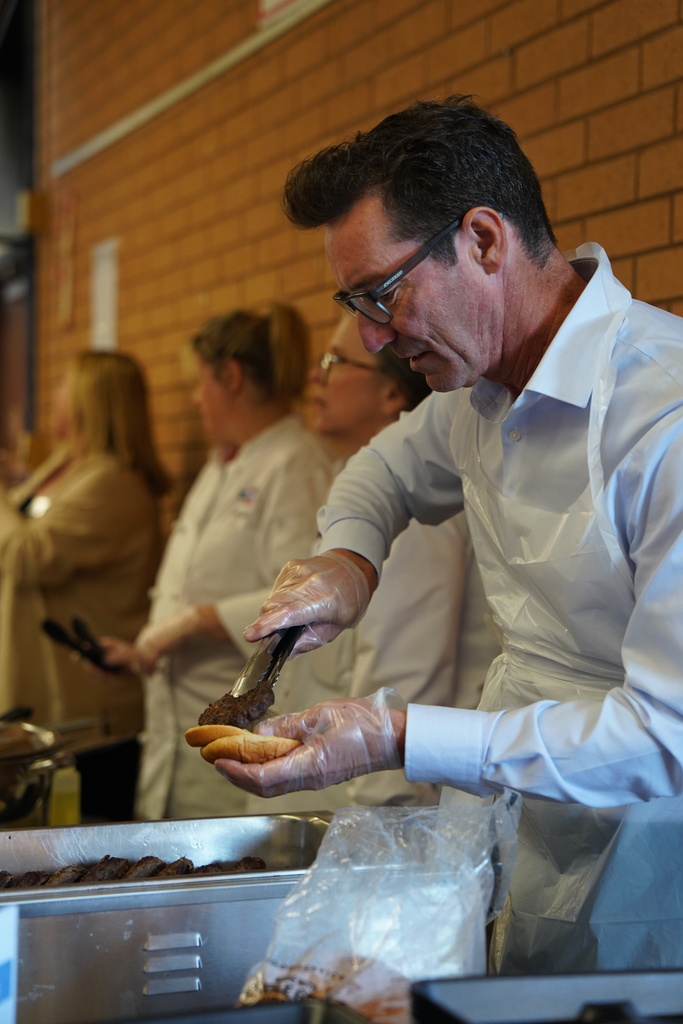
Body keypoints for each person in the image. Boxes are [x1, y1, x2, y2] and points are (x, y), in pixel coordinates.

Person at [214, 95, 683, 974]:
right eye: (351, 301)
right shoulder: (480, 392)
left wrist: (395, 736)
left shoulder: (662, 417)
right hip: (518, 819)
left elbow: (663, 735)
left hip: (654, 859)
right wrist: (348, 557)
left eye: (383, 294)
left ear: (482, 240)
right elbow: (381, 470)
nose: (370, 336)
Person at [247, 313, 498, 814]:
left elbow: (400, 691)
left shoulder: (419, 523)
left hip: (363, 813)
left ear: (390, 395)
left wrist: (372, 853)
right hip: (326, 800)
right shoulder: (359, 480)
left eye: (335, 363)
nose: (318, 376)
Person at [101, 305, 334, 820]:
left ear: (230, 378)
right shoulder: (223, 462)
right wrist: (147, 644)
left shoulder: (296, 461)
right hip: (176, 721)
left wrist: (192, 623)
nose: (194, 400)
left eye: (199, 383)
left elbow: (301, 595)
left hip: (241, 726)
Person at [0, 350, 169, 739]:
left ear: (91, 399)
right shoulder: (66, 462)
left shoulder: (113, 482)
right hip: (41, 678)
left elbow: (27, 554)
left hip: (87, 696)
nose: (55, 393)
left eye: (64, 384)